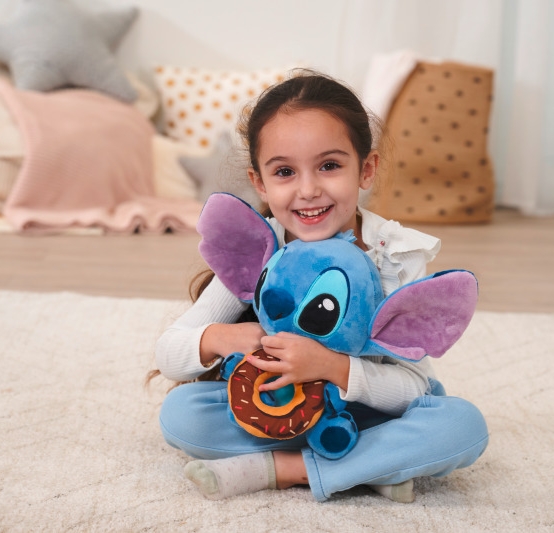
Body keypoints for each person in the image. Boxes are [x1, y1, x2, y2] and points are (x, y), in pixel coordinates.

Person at [153, 70, 488, 503]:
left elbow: (414, 388)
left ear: (366, 169)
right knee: (182, 416)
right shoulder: (261, 249)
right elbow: (169, 353)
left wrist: (332, 367)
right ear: (260, 183)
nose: (308, 190)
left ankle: (284, 468)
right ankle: (370, 466)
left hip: (373, 413)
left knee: (462, 425)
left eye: (329, 166)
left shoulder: (393, 257)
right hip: (281, 408)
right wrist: (222, 338)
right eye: (285, 172)